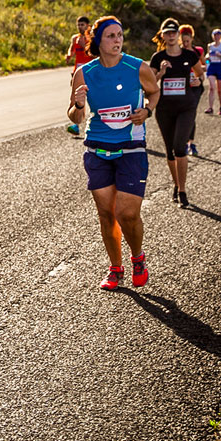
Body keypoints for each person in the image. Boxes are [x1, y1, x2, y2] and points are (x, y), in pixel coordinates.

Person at [68, 16, 159, 290]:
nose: (117, 40)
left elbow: (154, 92)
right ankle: (115, 269)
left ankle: (138, 258)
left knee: (127, 213)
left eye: (119, 35)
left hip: (131, 148)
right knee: (107, 214)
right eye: (110, 36)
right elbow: (74, 116)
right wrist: (79, 104)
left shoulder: (138, 67)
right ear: (97, 40)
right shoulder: (84, 73)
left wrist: (148, 110)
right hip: (97, 148)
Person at [147, 19, 203, 209]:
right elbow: (149, 84)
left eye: (174, 32)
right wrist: (161, 73)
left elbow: (200, 73)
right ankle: (176, 184)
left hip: (186, 107)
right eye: (167, 33)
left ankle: (182, 190)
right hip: (164, 109)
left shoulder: (189, 54)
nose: (171, 36)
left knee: (180, 148)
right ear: (162, 35)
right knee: (170, 151)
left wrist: (197, 81)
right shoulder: (157, 57)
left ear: (178, 35)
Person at [179, 24, 205, 156]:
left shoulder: (198, 51)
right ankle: (182, 142)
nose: (185, 43)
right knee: (182, 113)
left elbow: (203, 67)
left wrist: (199, 77)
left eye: (187, 40)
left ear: (191, 38)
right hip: (182, 86)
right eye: (183, 40)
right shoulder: (177, 52)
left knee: (191, 112)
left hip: (195, 87)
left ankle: (191, 143)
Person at [65, 15, 93, 135]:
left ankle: (93, 122)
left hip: (89, 72)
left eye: (82, 24)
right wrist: (69, 55)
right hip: (77, 71)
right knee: (77, 97)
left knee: (91, 98)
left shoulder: (91, 39)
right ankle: (76, 124)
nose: (80, 27)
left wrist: (83, 46)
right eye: (78, 24)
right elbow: (71, 49)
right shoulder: (75, 38)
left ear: (88, 25)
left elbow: (95, 56)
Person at [205, 28, 221, 115]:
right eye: (215, 35)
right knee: (211, 87)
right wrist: (207, 59)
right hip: (212, 66)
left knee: (219, 89)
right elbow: (207, 57)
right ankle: (210, 107)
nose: (217, 37)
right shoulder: (210, 46)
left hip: (220, 67)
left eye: (218, 35)